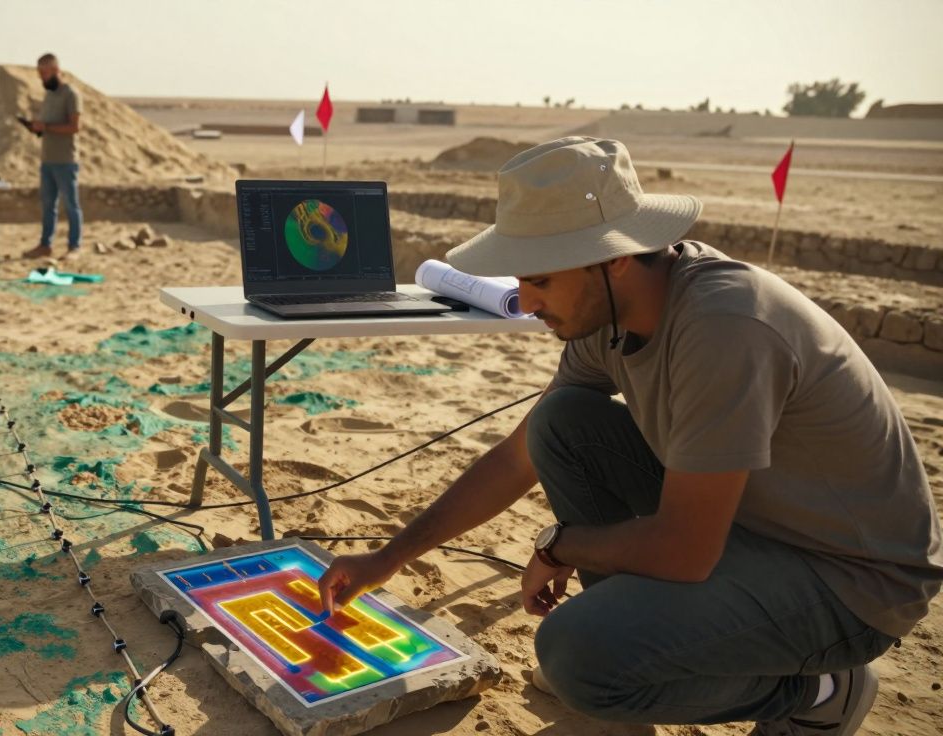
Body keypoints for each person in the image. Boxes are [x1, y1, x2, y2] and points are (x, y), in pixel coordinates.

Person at [317, 137, 941, 735]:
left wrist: (562, 545)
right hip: (750, 525)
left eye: (539, 280)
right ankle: (640, 638)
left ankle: (821, 692)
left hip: (849, 579)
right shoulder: (605, 309)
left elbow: (685, 550)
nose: (525, 302)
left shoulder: (725, 326)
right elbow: (517, 456)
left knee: (576, 656)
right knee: (563, 424)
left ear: (614, 256)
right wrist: (386, 559)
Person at [22, 52, 83, 259]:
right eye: (39, 73)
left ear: (56, 71)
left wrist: (46, 126)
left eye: (44, 73)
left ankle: (75, 246)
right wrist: (37, 128)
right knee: (48, 205)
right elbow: (48, 126)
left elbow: (74, 127)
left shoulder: (71, 94)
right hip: (47, 159)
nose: (41, 78)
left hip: (65, 160)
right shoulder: (48, 96)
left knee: (71, 205)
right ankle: (45, 245)